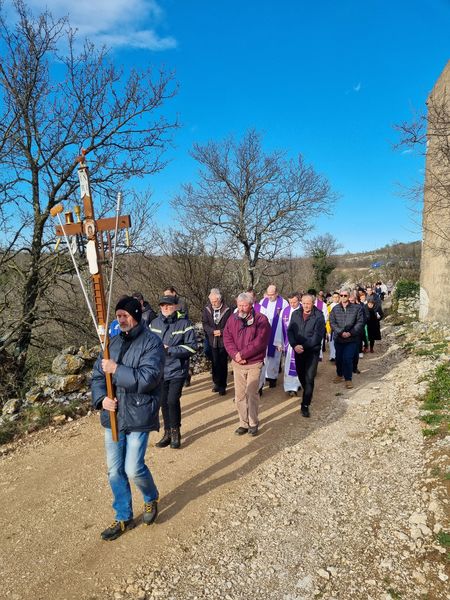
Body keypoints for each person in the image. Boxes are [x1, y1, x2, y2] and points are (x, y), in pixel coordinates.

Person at [91, 296, 165, 541]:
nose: (120, 319)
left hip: (139, 412)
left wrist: (117, 370)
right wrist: (102, 399)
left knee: (132, 468)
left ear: (135, 315)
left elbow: (148, 378)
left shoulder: (152, 343)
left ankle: (150, 496)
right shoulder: (110, 344)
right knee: (114, 471)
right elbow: (98, 376)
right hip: (113, 415)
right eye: (118, 315)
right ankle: (123, 516)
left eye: (125, 315)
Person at [149, 295, 197, 449]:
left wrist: (170, 350)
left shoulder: (185, 324)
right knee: (163, 401)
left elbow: (192, 347)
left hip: (177, 369)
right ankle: (167, 433)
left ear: (176, 306)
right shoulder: (154, 323)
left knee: (172, 400)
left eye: (168, 305)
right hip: (160, 370)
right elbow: (148, 345)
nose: (165, 308)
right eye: (162, 305)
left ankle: (176, 433)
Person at [223, 292, 271, 436]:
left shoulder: (261, 320)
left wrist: (242, 354)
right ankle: (243, 423)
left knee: (251, 393)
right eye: (239, 305)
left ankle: (253, 422)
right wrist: (235, 355)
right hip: (238, 364)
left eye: (244, 305)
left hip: (254, 362)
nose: (242, 308)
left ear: (251, 305)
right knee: (239, 395)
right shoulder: (232, 318)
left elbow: (260, 342)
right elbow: (227, 337)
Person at [287, 294, 325, 417]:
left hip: (311, 352)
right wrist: (294, 345)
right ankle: (308, 392)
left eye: (308, 303)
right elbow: (290, 331)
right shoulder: (296, 314)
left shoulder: (318, 316)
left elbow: (317, 337)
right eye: (303, 303)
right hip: (298, 350)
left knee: (309, 378)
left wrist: (303, 346)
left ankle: (305, 404)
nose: (305, 306)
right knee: (301, 375)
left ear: (313, 303)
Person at [329, 289, 364, 389]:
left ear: (349, 296)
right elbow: (332, 322)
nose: (343, 297)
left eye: (345, 295)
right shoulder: (335, 309)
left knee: (347, 358)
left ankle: (348, 379)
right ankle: (339, 375)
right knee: (339, 358)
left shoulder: (357, 308)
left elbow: (360, 322)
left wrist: (350, 333)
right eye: (341, 295)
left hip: (351, 339)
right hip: (339, 339)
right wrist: (340, 332)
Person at [202, 288, 232, 395]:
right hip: (212, 340)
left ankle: (223, 385)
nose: (213, 303)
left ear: (220, 299)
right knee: (214, 362)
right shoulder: (207, 309)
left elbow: (230, 325)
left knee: (223, 363)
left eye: (215, 301)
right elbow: (205, 323)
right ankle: (216, 383)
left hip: (224, 341)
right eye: (212, 301)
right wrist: (212, 331)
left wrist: (222, 331)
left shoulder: (228, 309)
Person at [259, 284, 288, 388]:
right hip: (265, 332)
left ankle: (273, 377)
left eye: (272, 294)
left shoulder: (283, 303)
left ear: (276, 293)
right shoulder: (263, 302)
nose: (269, 296)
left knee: (275, 356)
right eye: (268, 294)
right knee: (265, 356)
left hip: (277, 332)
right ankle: (265, 376)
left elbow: (284, 318)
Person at [163, 286, 192, 386]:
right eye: (165, 295)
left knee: (184, 354)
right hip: (171, 330)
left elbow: (183, 315)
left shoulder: (181, 303)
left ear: (174, 293)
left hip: (181, 330)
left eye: (168, 295)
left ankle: (186, 376)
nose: (166, 297)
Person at [281, 292, 302, 397]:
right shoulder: (285, 311)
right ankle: (290, 387)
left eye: (294, 302)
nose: (292, 304)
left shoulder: (304, 310)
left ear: (299, 300)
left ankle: (298, 383)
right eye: (290, 302)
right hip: (289, 343)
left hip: (302, 343)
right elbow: (280, 328)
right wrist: (278, 342)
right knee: (289, 365)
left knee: (301, 364)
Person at [327, 292, 340, 361]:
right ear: (332, 298)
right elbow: (327, 318)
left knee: (338, 342)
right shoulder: (329, 307)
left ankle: (337, 356)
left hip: (339, 327)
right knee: (331, 342)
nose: (336, 298)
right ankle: (332, 356)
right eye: (334, 297)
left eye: (337, 297)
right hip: (330, 327)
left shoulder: (341, 306)